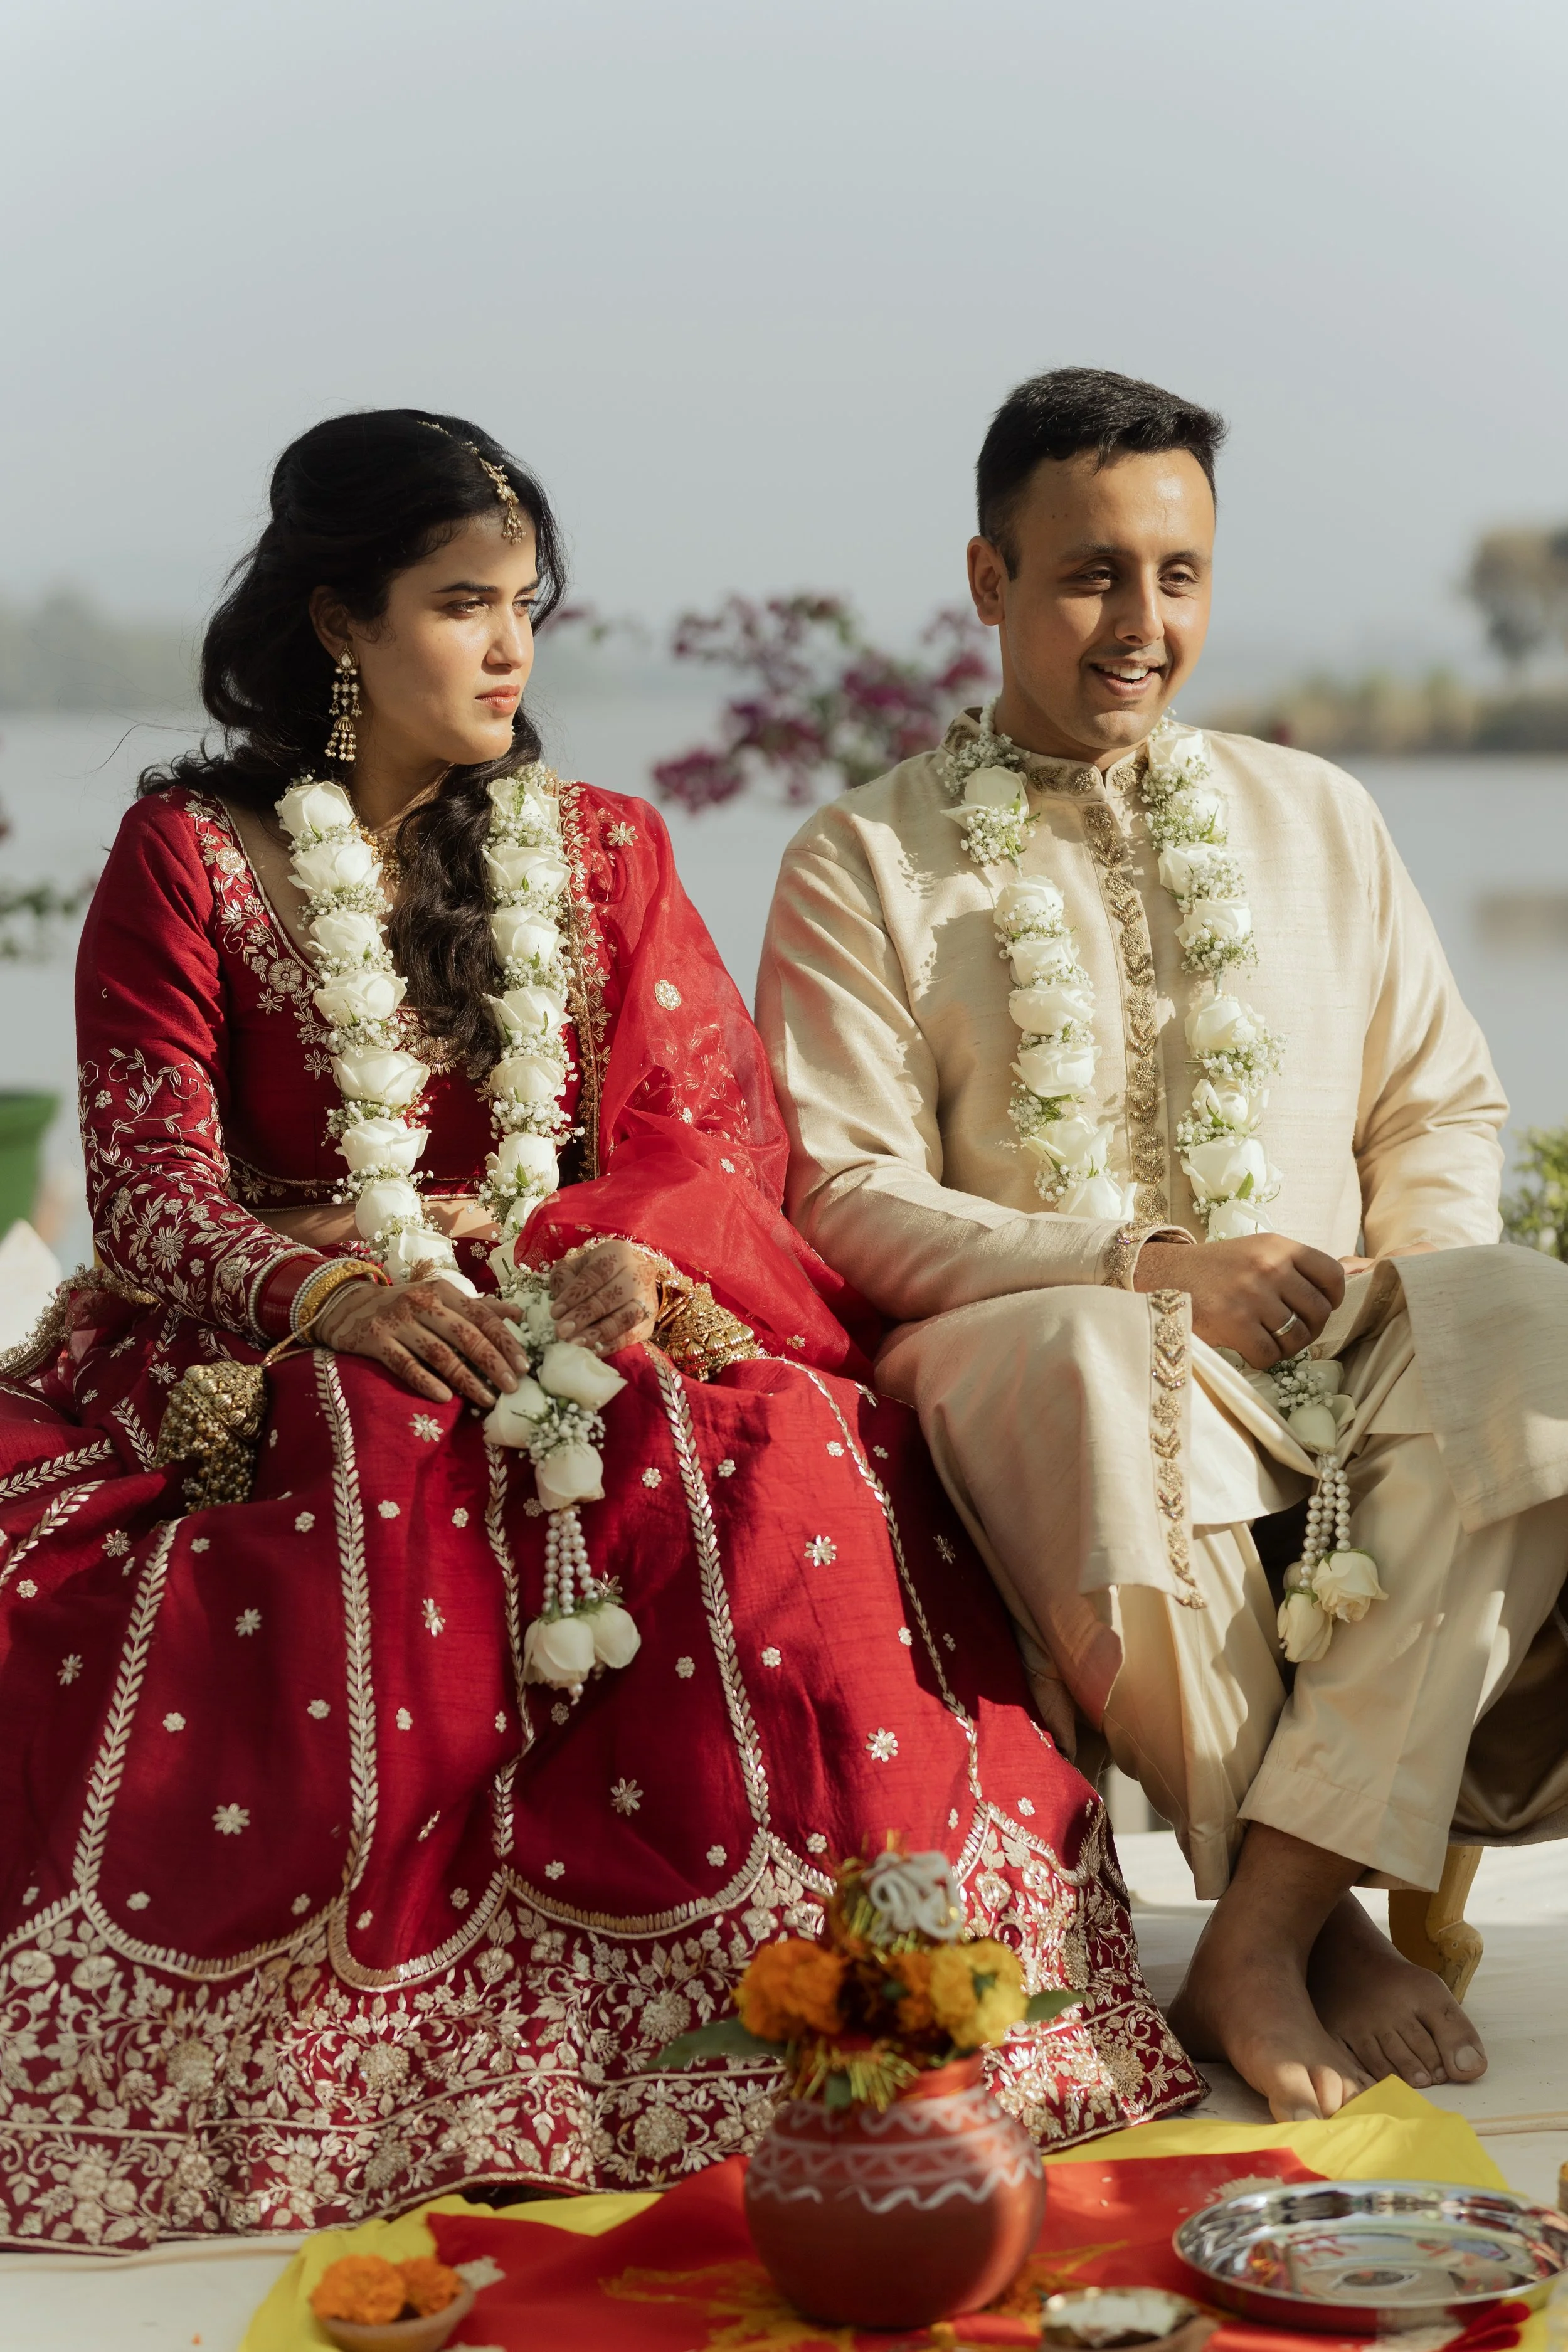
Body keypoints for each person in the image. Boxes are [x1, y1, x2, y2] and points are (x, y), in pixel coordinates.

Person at [0, 409, 1198, 2252]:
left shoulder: (602, 848)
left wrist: (631, 1260)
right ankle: (354, 2066)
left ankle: (835, 2022)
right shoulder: (193, 854)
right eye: (459, 604)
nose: (508, 650)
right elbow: (155, 1187)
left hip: (568, 1294)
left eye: (525, 608)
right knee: (360, 1475)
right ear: (339, 623)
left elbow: (706, 1135)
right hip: (275, 1321)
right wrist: (338, 1291)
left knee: (768, 1461)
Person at [756, 366, 1568, 2125]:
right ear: (985, 581)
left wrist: (1403, 1281)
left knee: (1523, 1319)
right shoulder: (862, 858)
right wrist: (1135, 1258)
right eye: (1089, 575)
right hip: (1031, 1335)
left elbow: (1435, 1104)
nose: (1141, 624)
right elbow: (838, 1188)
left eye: (1178, 575)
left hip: (1318, 1334)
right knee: (1092, 1358)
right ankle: (1310, 1924)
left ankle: (1264, 1920)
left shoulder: (1316, 815)